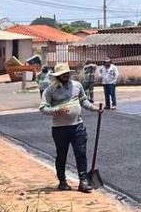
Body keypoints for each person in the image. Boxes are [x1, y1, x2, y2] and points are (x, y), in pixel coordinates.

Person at [39, 63, 99, 192]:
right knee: (61, 155)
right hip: (60, 129)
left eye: (67, 74)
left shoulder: (77, 86)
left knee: (81, 153)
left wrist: (95, 109)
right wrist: (57, 110)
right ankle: (62, 181)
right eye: (62, 74)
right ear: (57, 76)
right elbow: (43, 108)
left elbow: (83, 101)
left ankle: (83, 181)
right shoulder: (50, 90)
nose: (65, 76)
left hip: (77, 126)